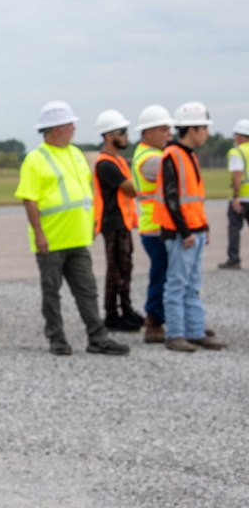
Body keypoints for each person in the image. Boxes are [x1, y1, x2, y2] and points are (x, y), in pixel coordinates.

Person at [15, 101, 129, 357]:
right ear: (55, 129)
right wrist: (39, 234)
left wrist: (91, 224)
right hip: (51, 240)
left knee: (87, 290)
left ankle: (97, 338)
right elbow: (29, 199)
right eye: (69, 125)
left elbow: (86, 193)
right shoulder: (35, 159)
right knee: (51, 293)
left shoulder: (76, 154)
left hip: (78, 238)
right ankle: (57, 338)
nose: (73, 128)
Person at [151, 102, 228, 352]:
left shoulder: (188, 155)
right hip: (181, 233)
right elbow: (172, 199)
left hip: (194, 230)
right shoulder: (172, 155)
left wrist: (203, 227)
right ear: (192, 129)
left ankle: (195, 331)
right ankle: (175, 334)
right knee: (177, 283)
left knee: (192, 284)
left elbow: (192, 198)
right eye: (204, 128)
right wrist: (185, 232)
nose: (206, 133)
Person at [92, 110, 143, 332]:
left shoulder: (118, 161)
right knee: (117, 270)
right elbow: (130, 188)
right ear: (107, 135)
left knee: (124, 268)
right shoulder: (106, 164)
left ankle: (125, 310)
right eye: (121, 132)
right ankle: (114, 314)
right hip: (113, 224)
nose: (125, 137)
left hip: (122, 222)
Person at [131, 105, 173, 343]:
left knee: (166, 274)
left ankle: (164, 318)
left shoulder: (148, 153)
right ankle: (155, 320)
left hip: (157, 225)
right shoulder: (152, 159)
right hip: (156, 226)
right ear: (148, 132)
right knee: (162, 275)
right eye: (163, 129)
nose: (169, 134)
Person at [218, 119, 249, 270]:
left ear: (240, 136)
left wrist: (235, 197)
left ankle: (234, 259)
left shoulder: (237, 152)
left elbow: (237, 176)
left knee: (235, 228)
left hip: (242, 197)